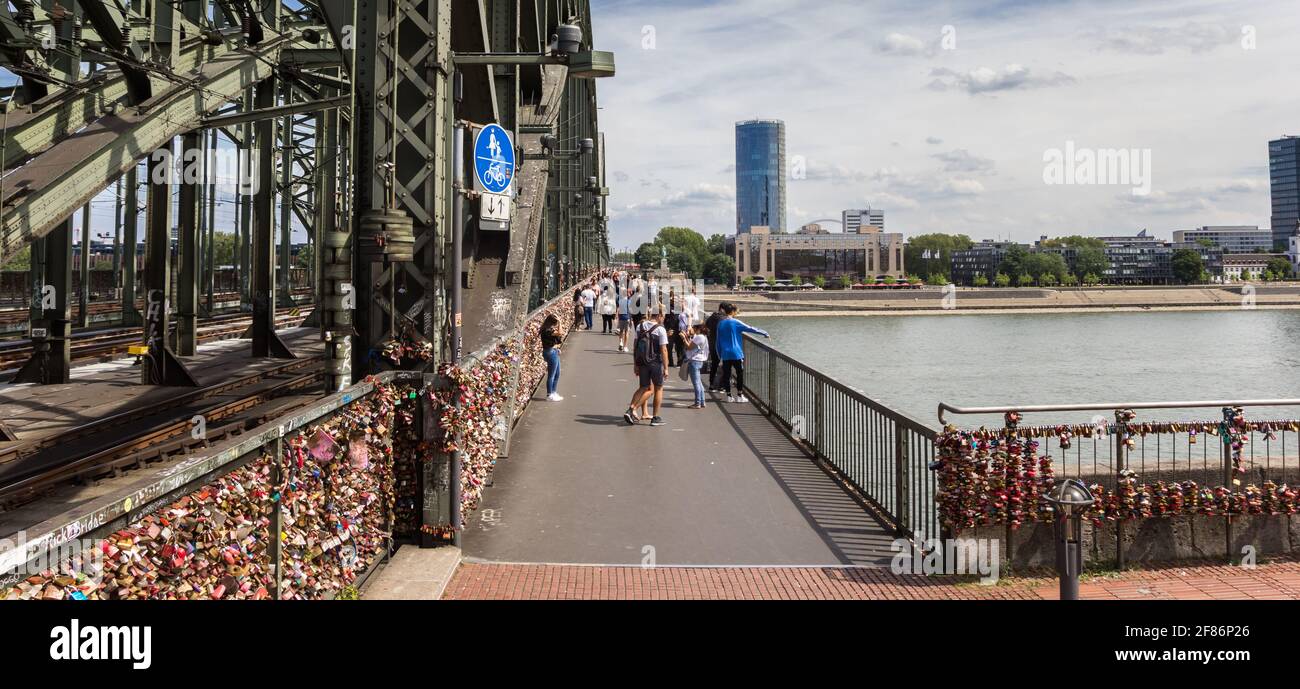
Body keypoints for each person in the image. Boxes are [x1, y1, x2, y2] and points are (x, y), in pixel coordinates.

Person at [714, 304, 769, 403]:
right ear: (733, 312)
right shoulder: (736, 322)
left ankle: (729, 396)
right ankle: (739, 395)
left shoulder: (720, 324)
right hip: (736, 353)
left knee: (727, 375)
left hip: (725, 354)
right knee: (740, 374)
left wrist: (720, 356)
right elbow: (751, 328)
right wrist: (764, 333)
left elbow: (717, 341)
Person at [625, 310, 669, 427]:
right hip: (655, 363)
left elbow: (635, 346)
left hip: (642, 362)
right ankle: (655, 417)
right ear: (659, 316)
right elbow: (664, 350)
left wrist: (635, 364)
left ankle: (631, 409)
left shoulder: (640, 326)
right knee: (658, 389)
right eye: (663, 316)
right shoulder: (660, 329)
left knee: (643, 387)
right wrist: (666, 368)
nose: (663, 319)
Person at [684, 322, 710, 409]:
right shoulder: (704, 337)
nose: (693, 330)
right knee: (699, 383)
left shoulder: (699, 337)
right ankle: (702, 402)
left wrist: (683, 338)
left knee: (696, 383)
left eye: (694, 328)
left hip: (695, 360)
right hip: (699, 361)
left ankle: (697, 403)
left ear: (698, 329)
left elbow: (689, 347)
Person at [705, 303, 729, 391]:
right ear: (722, 309)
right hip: (721, 344)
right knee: (724, 365)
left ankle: (712, 384)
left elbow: (707, 324)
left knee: (714, 364)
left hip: (712, 343)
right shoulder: (723, 318)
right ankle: (720, 385)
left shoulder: (713, 316)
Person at [540, 315, 564, 402]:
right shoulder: (547, 330)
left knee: (557, 374)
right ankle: (549, 394)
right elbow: (560, 333)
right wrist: (560, 322)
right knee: (552, 375)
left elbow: (554, 338)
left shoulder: (548, 329)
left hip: (553, 351)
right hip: (550, 353)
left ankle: (553, 392)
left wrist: (556, 348)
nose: (555, 325)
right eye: (555, 323)